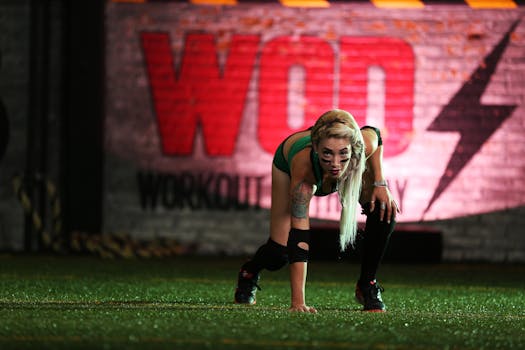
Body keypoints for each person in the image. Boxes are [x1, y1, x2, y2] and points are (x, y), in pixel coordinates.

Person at [234, 109, 399, 313]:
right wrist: (298, 302)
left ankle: (367, 284)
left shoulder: (363, 145)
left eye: (343, 154)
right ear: (315, 148)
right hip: (286, 167)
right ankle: (249, 272)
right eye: (327, 153)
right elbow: (300, 236)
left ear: (354, 149)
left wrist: (380, 183)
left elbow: (375, 133)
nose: (336, 164)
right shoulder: (304, 172)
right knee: (279, 253)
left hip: (349, 163)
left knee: (384, 208)